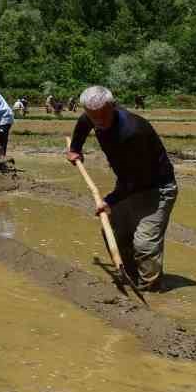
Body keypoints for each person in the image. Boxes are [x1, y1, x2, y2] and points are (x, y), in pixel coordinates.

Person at [67, 85, 177, 292]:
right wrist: (75, 149)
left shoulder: (133, 131)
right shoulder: (92, 116)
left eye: (102, 117)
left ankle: (151, 289)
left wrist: (109, 200)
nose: (98, 123)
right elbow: (83, 123)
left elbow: (137, 179)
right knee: (116, 233)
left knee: (144, 245)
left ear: (113, 107)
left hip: (156, 188)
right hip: (128, 183)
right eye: (93, 118)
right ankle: (131, 275)